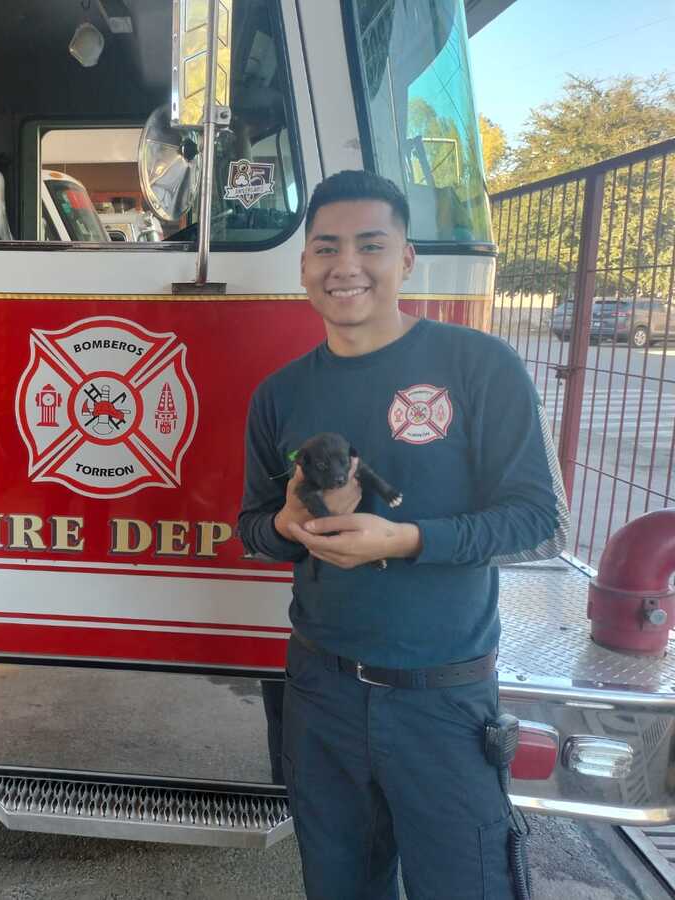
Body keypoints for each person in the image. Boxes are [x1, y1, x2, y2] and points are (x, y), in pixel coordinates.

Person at [238, 170, 567, 899]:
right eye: (325, 248)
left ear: (406, 259)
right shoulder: (281, 393)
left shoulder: (479, 366)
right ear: (303, 267)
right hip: (319, 692)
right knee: (338, 887)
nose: (345, 265)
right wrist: (286, 527)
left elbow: (537, 520)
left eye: (370, 245)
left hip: (442, 699)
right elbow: (252, 525)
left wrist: (405, 539)